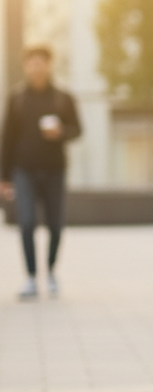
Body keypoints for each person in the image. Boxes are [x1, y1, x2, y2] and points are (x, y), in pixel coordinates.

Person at [0, 45, 81, 300]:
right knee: (26, 223)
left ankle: (52, 272)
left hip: (55, 169)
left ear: (49, 65)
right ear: (26, 66)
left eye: (41, 62)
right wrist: (3, 176)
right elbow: (7, 138)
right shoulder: (17, 98)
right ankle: (32, 277)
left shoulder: (62, 97)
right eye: (32, 62)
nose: (36, 66)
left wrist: (61, 133)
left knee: (55, 224)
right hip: (24, 170)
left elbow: (77, 129)